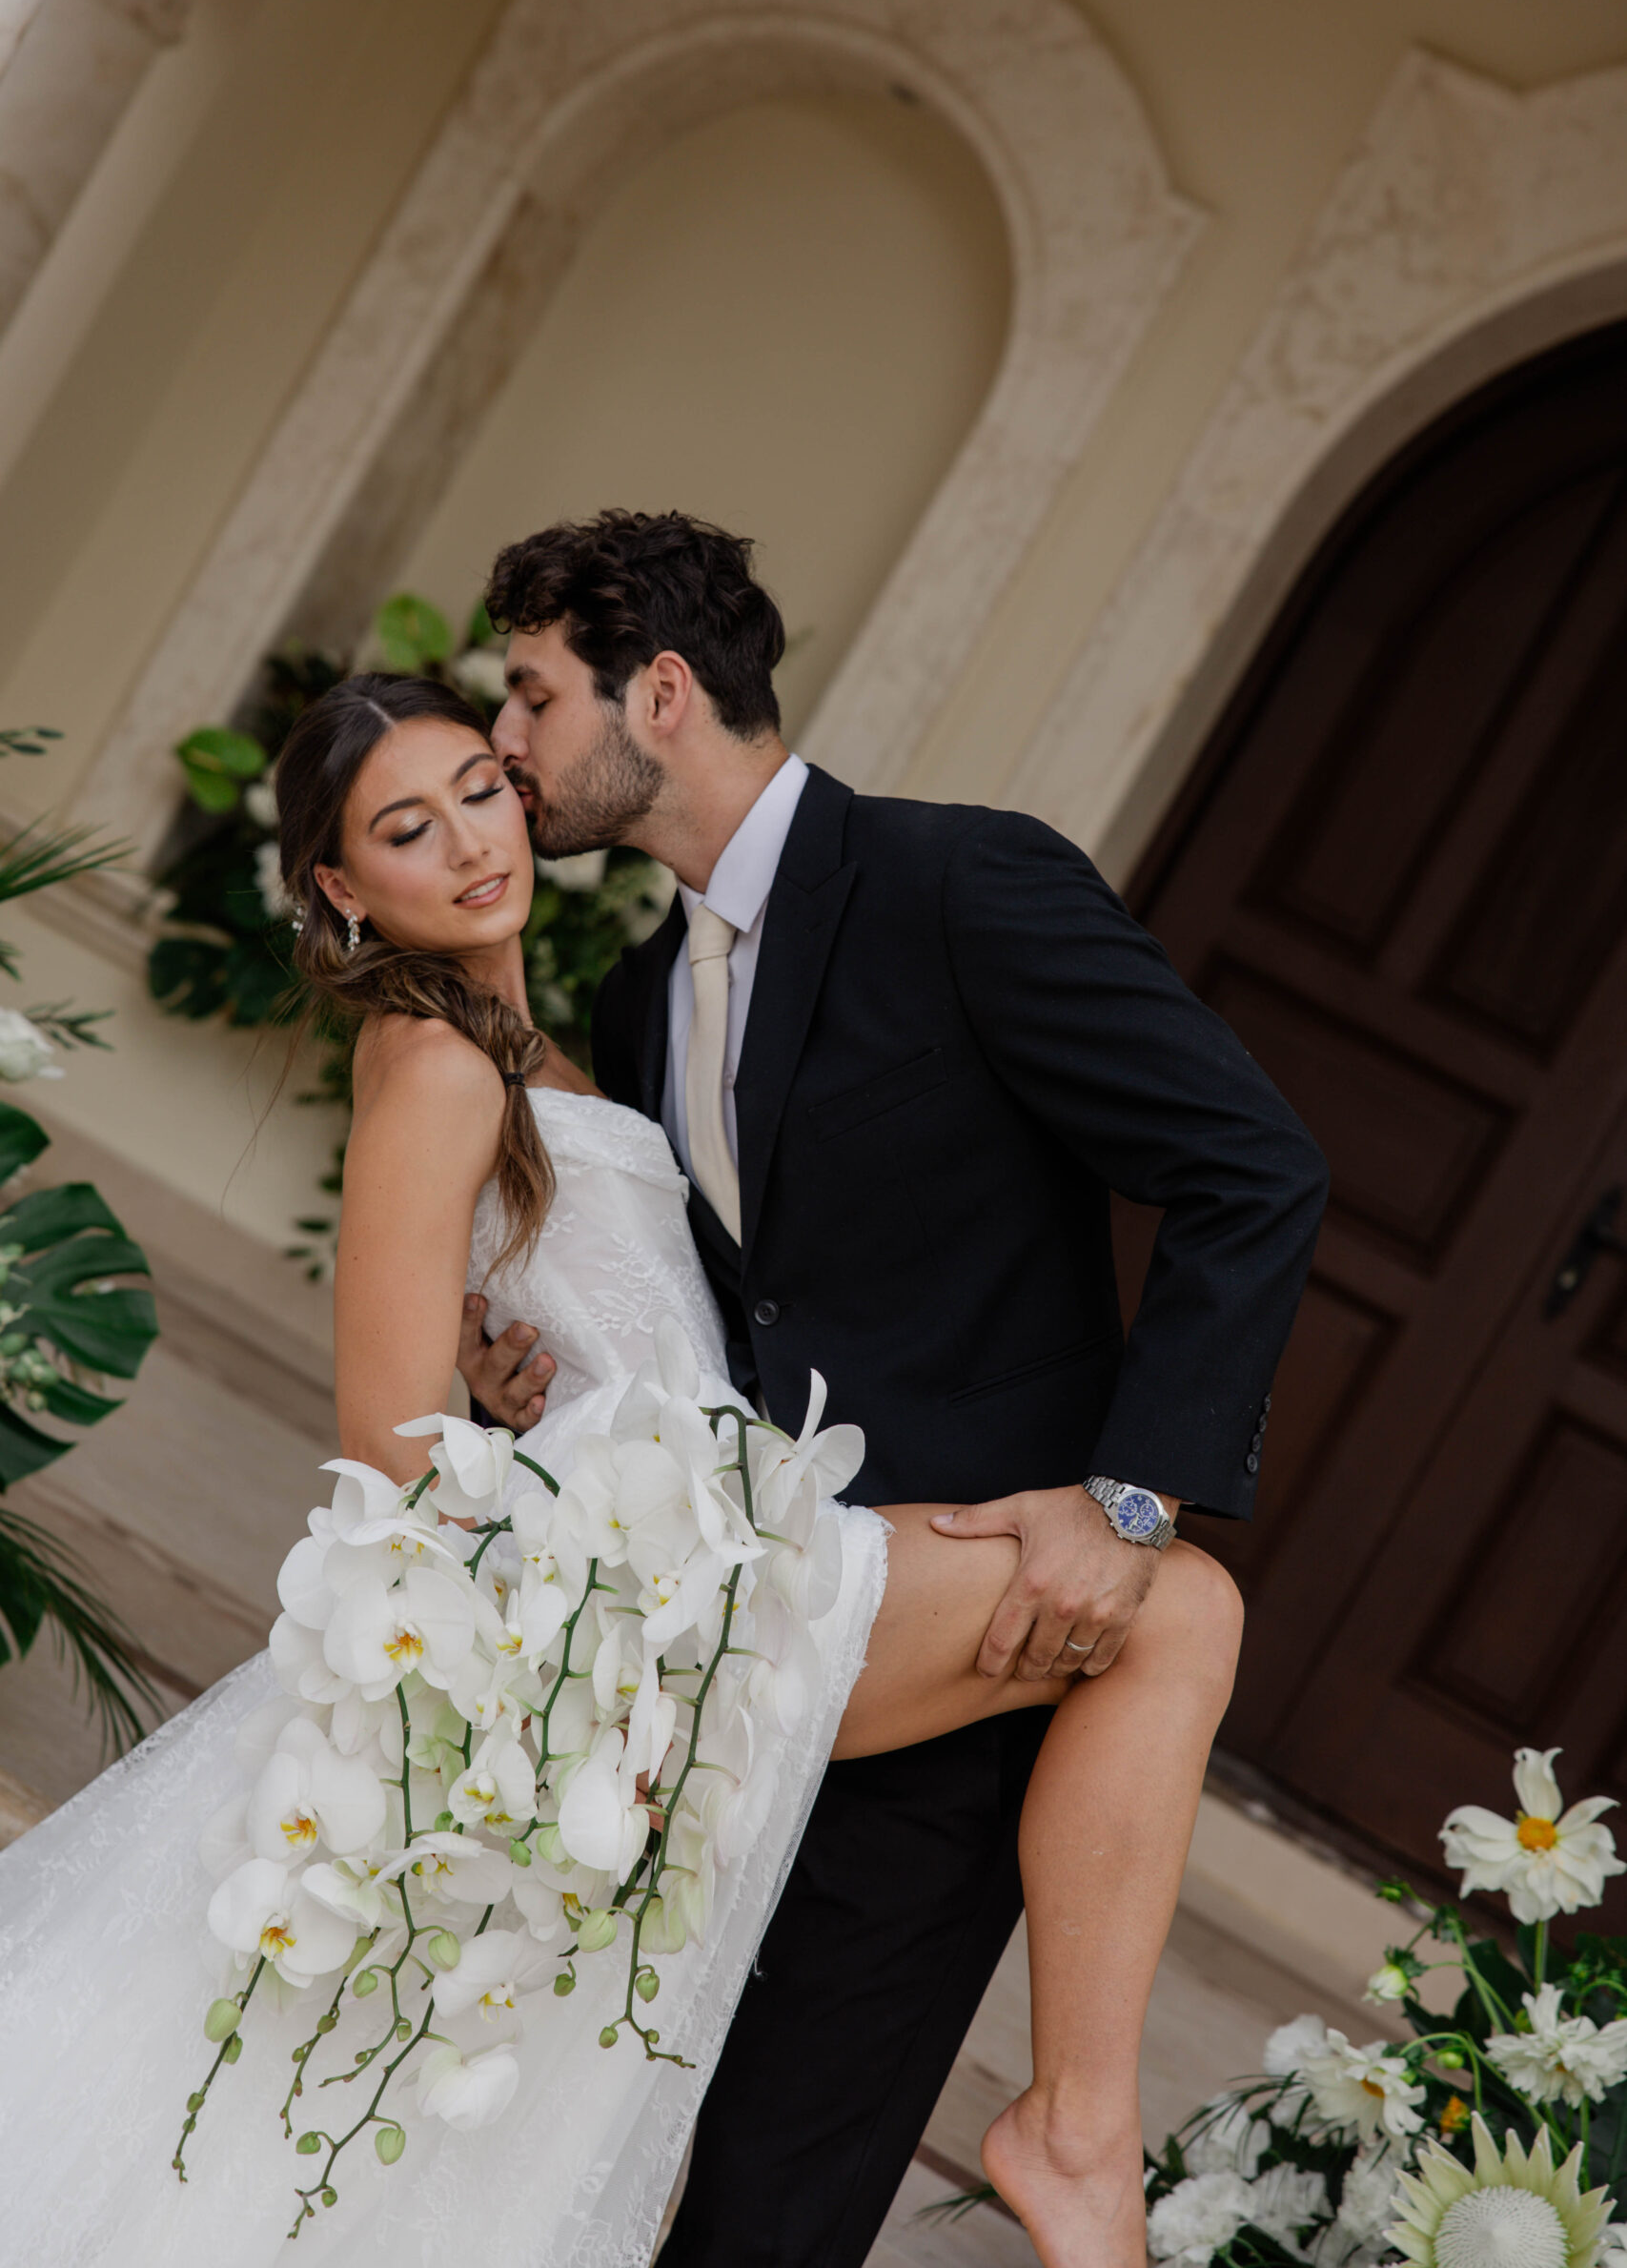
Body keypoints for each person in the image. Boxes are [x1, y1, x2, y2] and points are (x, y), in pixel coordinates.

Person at [0, 646, 1296, 2268]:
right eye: (409, 829)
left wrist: (516, 1391)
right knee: (1177, 1614)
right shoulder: (435, 1061)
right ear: (337, 886)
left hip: (702, 1543)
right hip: (627, 1612)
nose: (475, 838)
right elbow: (384, 1451)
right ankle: (1076, 2134)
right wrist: (544, 1702)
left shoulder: (564, 1038)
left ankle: (1072, 2130)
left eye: (482, 787)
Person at [456, 510, 1330, 2268]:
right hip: (740, 1648)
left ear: (669, 691)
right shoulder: (642, 998)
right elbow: (715, 1316)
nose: (506, 744)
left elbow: (1255, 1167)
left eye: (534, 697)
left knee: (776, 2214)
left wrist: (1132, 1498)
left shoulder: (961, 885)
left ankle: (1071, 2132)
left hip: (976, 1663)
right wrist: (521, 1375)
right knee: (554, 2154)